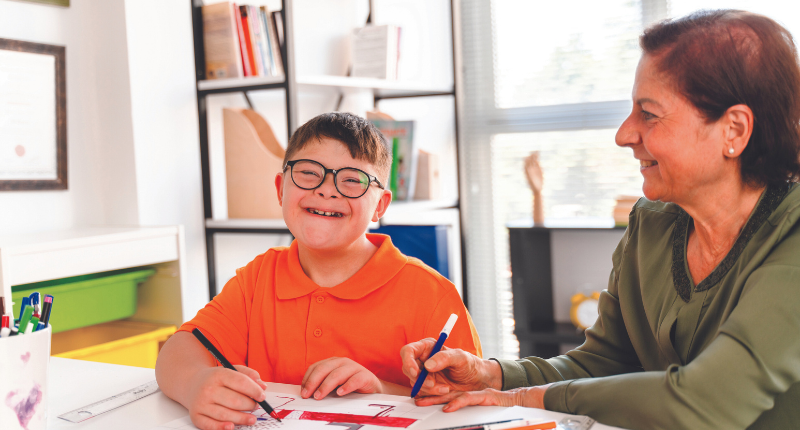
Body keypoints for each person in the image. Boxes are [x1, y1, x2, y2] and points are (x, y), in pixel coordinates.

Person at [400, 10, 800, 430]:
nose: (624, 133)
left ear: (733, 130)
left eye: (649, 113)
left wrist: (526, 396)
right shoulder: (651, 225)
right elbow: (602, 363)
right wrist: (492, 375)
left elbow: (706, 400)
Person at [156, 112, 481, 430]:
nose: (327, 189)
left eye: (352, 179)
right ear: (281, 188)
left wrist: (381, 391)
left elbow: (471, 403)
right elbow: (179, 350)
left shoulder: (431, 294)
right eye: (309, 173)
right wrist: (195, 384)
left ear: (380, 205)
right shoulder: (257, 278)